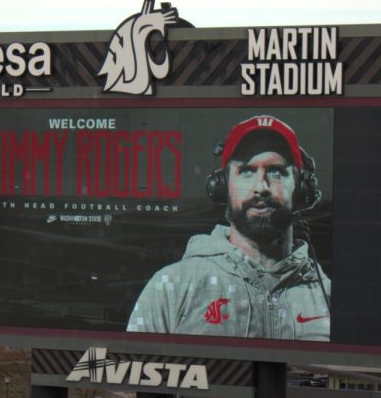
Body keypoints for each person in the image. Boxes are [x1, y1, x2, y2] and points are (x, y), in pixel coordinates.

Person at [127, 115, 331, 341]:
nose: (261, 187)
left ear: (302, 189)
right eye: (246, 171)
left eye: (276, 171)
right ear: (223, 188)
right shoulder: (171, 287)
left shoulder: (328, 296)